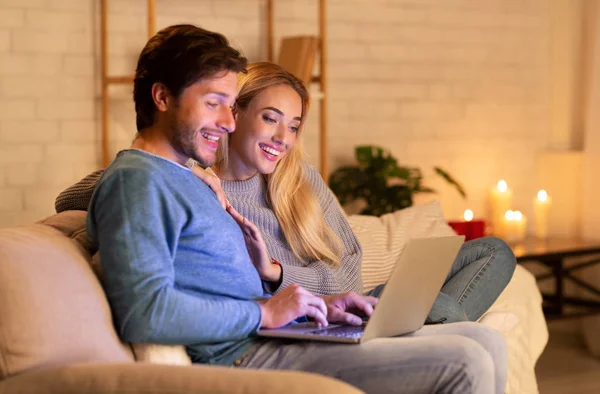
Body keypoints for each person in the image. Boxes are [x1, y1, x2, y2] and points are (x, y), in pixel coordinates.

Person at [63, 24, 507, 394]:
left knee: (485, 339)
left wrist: (316, 303)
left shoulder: (184, 177)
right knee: (466, 359)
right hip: (248, 353)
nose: (228, 121)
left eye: (230, 105)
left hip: (281, 332)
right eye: (215, 103)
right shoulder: (137, 180)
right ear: (162, 98)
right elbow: (146, 312)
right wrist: (266, 312)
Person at [57, 61, 517, 325]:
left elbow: (348, 271)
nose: (283, 137)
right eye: (272, 118)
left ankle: (427, 325)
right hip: (306, 323)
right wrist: (182, 172)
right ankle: (435, 329)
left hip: (351, 303)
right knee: (433, 310)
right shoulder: (184, 179)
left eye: (294, 125)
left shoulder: (299, 181)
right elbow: (71, 198)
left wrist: (278, 272)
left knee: (494, 251)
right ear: (234, 114)